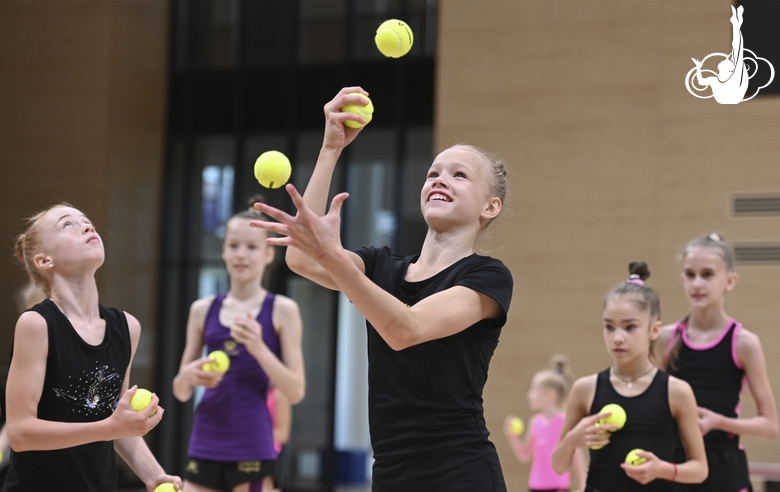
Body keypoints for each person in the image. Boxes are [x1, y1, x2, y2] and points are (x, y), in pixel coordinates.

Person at [250, 87, 513, 491]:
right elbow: (302, 260)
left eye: (459, 174)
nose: (440, 179)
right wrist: (330, 148)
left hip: (461, 473)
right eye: (433, 173)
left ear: (489, 207)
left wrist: (334, 256)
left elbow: (407, 329)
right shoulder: (382, 266)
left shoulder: (487, 276)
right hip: (391, 474)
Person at [4, 203, 182, 491]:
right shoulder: (36, 324)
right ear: (44, 261)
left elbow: (115, 419)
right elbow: (20, 433)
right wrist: (109, 428)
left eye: (86, 221)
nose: (87, 227)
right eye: (67, 225)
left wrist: (154, 475)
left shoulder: (126, 327)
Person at [173, 197, 305, 492]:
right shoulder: (202, 309)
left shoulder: (283, 310)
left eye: (252, 247)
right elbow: (180, 392)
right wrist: (187, 377)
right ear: (223, 251)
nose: (241, 255)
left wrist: (258, 347)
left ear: (269, 254)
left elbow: (295, 391)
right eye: (233, 246)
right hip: (205, 440)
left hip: (253, 445)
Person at [552, 262, 707, 491]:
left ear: (654, 330)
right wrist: (572, 440)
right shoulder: (586, 388)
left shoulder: (677, 391)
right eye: (609, 327)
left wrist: (662, 469)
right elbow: (558, 466)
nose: (617, 338)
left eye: (630, 327)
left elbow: (700, 469)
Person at [652, 233, 778, 492]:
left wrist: (719, 422)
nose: (697, 283)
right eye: (690, 274)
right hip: (676, 466)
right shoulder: (665, 338)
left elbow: (769, 426)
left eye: (707, 274)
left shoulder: (743, 343)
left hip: (726, 470)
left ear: (729, 281)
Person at [504, 355, 586, 492]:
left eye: (534, 390)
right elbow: (525, 455)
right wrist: (511, 436)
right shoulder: (535, 422)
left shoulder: (565, 422)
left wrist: (584, 485)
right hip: (535, 486)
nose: (529, 395)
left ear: (550, 394)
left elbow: (577, 457)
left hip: (558, 486)